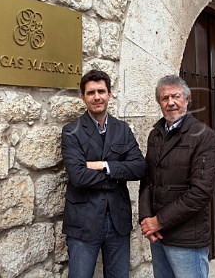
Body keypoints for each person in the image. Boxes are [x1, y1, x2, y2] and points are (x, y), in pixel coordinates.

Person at [61, 69, 147, 277]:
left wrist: (104, 165)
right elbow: (78, 176)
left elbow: (139, 167)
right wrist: (118, 174)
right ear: (83, 97)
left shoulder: (122, 129)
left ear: (110, 94)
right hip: (83, 222)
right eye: (91, 93)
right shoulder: (71, 131)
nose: (97, 97)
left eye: (101, 91)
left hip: (118, 221)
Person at [138, 74, 215, 278]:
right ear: (159, 102)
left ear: (187, 99)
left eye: (175, 96)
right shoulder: (155, 135)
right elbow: (148, 180)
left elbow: (200, 192)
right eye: (165, 98)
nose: (171, 102)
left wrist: (159, 221)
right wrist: (146, 219)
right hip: (159, 236)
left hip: (187, 239)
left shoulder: (204, 136)